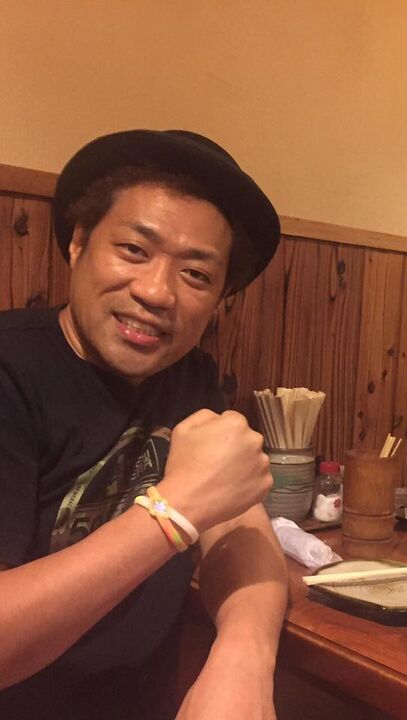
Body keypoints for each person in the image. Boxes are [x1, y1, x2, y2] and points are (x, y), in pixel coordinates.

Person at [0, 130, 288, 719]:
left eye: (197, 275)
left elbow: (240, 525)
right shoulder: (12, 372)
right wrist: (174, 513)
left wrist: (244, 655)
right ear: (78, 243)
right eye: (134, 249)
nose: (156, 292)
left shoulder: (189, 376)